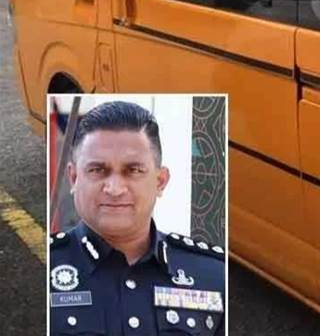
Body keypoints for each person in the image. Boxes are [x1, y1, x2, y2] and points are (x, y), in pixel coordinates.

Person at [49, 101, 225, 335]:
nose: (114, 189)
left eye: (133, 171)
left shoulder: (213, 273)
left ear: (160, 182)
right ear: (73, 178)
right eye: (97, 170)